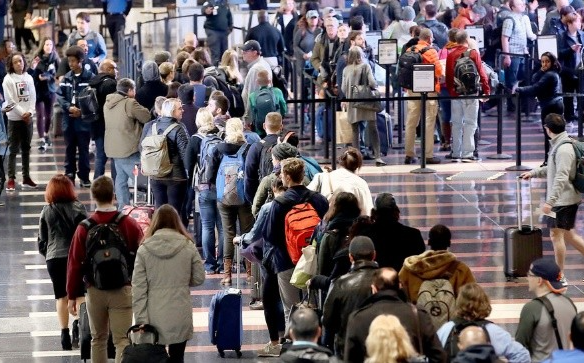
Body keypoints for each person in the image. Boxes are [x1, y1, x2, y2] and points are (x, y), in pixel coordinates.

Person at [66, 176, 143, 363]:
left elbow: (75, 263)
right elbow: (142, 254)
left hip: (95, 290)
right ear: (113, 196)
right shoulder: (128, 223)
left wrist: (71, 296)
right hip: (123, 289)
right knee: (122, 340)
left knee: (98, 339)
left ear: (93, 197)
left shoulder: (85, 228)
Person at [132, 204, 205, 363]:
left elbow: (138, 289)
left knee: (155, 358)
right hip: (180, 312)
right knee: (177, 357)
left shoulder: (144, 249)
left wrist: (140, 319)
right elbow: (199, 278)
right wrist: (183, 280)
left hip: (153, 315)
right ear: (176, 222)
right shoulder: (188, 246)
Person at [263, 157, 328, 328]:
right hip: (312, 260)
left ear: (287, 177)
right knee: (314, 305)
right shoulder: (318, 199)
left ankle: (293, 345)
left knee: (290, 308)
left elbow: (269, 235)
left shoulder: (279, 203)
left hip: (286, 261)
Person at [520, 114, 584, 284]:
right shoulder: (561, 145)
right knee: (569, 235)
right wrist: (533, 173)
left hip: (562, 202)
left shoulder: (563, 148)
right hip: (565, 199)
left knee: (556, 235)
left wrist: (550, 202)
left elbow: (561, 176)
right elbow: (553, 167)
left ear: (547, 129)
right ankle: (559, 273)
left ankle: (559, 275)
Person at [344, 268, 447, 363]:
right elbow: (439, 356)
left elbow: (350, 359)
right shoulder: (418, 314)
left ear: (374, 289)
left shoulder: (357, 318)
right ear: (399, 286)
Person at [38, 174, 87, 350]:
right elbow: (85, 235)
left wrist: (49, 254)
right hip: (76, 257)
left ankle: (64, 335)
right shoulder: (78, 208)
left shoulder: (47, 210)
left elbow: (42, 240)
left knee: (61, 296)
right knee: (80, 294)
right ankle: (83, 331)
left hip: (54, 258)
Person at [206, 118, 254, 285]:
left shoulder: (218, 148)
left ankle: (227, 275)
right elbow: (253, 173)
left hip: (223, 198)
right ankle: (249, 273)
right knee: (247, 234)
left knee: (228, 234)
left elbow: (209, 175)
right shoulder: (248, 149)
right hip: (244, 198)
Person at [436, 283, 530, 362]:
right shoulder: (494, 331)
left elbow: (431, 356)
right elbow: (522, 355)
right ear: (484, 302)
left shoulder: (446, 329)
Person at [323, 236, 379, 358]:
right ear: (374, 255)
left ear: (350, 257)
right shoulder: (388, 281)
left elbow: (328, 321)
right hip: (380, 348)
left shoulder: (339, 284)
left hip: (347, 348)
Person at [185, 108, 225, 274]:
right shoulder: (222, 136)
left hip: (204, 187)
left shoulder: (195, 139)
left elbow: (188, 165)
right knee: (222, 228)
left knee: (207, 226)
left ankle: (210, 264)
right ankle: (224, 263)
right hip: (223, 187)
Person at [515, 258, 578, 362]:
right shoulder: (569, 303)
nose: (527, 278)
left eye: (530, 275)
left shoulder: (532, 308)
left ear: (539, 280)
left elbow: (519, 347)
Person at [103, 78, 151, 209]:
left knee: (120, 179)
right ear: (130, 90)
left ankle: (123, 208)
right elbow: (146, 117)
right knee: (139, 180)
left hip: (113, 147)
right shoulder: (129, 103)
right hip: (128, 147)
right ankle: (142, 208)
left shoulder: (107, 103)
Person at [399, 224, 476, 304]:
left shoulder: (410, 268)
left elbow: (398, 295)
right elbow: (472, 298)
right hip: (451, 316)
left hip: (417, 315)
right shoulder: (461, 269)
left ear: (429, 242)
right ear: (449, 243)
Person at [140, 99, 189, 221]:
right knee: (175, 213)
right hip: (176, 177)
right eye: (179, 108)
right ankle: (175, 237)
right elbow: (186, 155)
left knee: (160, 211)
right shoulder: (179, 128)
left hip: (156, 175)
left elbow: (142, 147)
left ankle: (160, 235)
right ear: (172, 111)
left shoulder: (152, 126)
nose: (182, 110)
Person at [445, 30, 490, 163]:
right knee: (470, 123)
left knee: (457, 123)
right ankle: (468, 153)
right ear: (467, 40)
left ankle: (456, 152)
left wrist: (452, 91)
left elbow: (448, 76)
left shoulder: (451, 55)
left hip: (457, 93)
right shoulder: (473, 53)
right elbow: (482, 73)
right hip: (472, 93)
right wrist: (486, 90)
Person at [515, 52, 563, 166]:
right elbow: (534, 79)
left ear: (552, 62)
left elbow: (536, 88)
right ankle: (549, 160)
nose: (544, 64)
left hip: (551, 106)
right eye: (542, 61)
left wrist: (520, 90)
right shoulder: (548, 74)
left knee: (551, 135)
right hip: (551, 105)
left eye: (547, 61)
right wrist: (541, 70)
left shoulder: (550, 75)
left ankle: (549, 161)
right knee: (550, 135)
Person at [403, 28, 443, 165]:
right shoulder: (431, 51)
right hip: (429, 89)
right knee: (429, 121)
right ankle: (428, 155)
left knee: (411, 122)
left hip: (412, 89)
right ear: (430, 38)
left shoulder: (410, 50)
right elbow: (438, 71)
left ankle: (409, 154)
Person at [56, 46, 95, 188]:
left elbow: (92, 97)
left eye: (73, 61)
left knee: (84, 149)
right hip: (69, 119)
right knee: (69, 148)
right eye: (69, 61)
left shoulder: (89, 77)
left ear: (81, 61)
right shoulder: (67, 78)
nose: (71, 64)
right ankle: (69, 174)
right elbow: (59, 95)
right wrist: (68, 107)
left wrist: (81, 110)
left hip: (83, 120)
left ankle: (84, 176)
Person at [340, 47, 385, 167]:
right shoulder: (366, 66)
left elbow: (343, 89)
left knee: (355, 131)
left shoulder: (346, 70)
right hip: (366, 101)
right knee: (373, 128)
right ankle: (378, 156)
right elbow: (372, 83)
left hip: (352, 103)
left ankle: (357, 158)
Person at [3, 51, 36, 191]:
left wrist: (30, 112)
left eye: (21, 61)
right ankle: (11, 178)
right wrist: (23, 114)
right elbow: (10, 101)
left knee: (26, 148)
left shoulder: (28, 78)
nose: (19, 64)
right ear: (11, 64)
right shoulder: (8, 79)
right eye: (16, 62)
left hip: (28, 118)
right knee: (13, 149)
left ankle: (26, 177)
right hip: (15, 118)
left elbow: (33, 96)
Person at [368, 193, 425, 273]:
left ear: (374, 212)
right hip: (405, 283)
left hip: (374, 283)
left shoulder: (365, 236)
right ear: (396, 211)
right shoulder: (413, 235)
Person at [308, 147, 374, 214]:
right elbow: (367, 212)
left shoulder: (321, 177)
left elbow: (305, 197)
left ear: (340, 161)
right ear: (358, 166)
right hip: (350, 223)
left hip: (324, 221)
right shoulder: (361, 183)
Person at [88, 59, 118, 180]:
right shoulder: (110, 84)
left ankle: (97, 182)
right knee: (115, 156)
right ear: (108, 69)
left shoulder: (92, 81)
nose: (116, 71)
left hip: (96, 124)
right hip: (109, 125)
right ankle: (116, 185)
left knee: (100, 155)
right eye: (114, 68)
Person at [29, 37, 60, 152]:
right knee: (39, 114)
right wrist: (38, 77)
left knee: (48, 115)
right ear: (42, 46)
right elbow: (30, 72)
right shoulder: (37, 59)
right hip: (38, 90)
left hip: (50, 90)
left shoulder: (55, 58)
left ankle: (46, 134)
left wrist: (50, 77)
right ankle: (41, 138)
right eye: (47, 44)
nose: (49, 47)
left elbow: (59, 74)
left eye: (51, 45)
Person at [501, 0, 531, 113]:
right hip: (513, 54)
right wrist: (507, 55)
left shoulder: (522, 18)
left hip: (522, 54)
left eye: (523, 3)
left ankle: (519, 104)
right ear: (512, 7)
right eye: (519, 4)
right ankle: (511, 106)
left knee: (522, 78)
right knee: (511, 80)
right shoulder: (509, 20)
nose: (523, 5)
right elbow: (505, 38)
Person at [557, 12, 584, 125]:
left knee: (581, 94)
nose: (580, 23)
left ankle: (581, 116)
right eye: (577, 21)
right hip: (568, 70)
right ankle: (569, 118)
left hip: (581, 69)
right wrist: (571, 50)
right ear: (570, 23)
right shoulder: (562, 36)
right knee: (568, 95)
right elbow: (557, 54)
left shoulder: (581, 34)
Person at [248, 70, 287, 137]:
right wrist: (281, 117)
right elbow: (283, 107)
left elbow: (253, 114)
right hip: (275, 125)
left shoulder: (252, 96)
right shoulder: (277, 91)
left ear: (257, 82)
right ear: (269, 81)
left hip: (260, 128)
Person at [241, 40, 272, 109]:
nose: (243, 53)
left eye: (246, 52)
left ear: (254, 53)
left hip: (256, 113)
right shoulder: (263, 63)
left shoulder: (256, 69)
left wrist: (248, 117)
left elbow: (253, 95)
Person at [202, 0, 233, 65]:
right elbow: (203, 9)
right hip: (213, 31)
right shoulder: (209, 2)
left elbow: (229, 16)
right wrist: (206, 11)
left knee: (225, 54)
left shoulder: (224, 3)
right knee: (215, 53)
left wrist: (230, 27)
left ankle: (224, 71)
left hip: (224, 32)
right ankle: (214, 72)